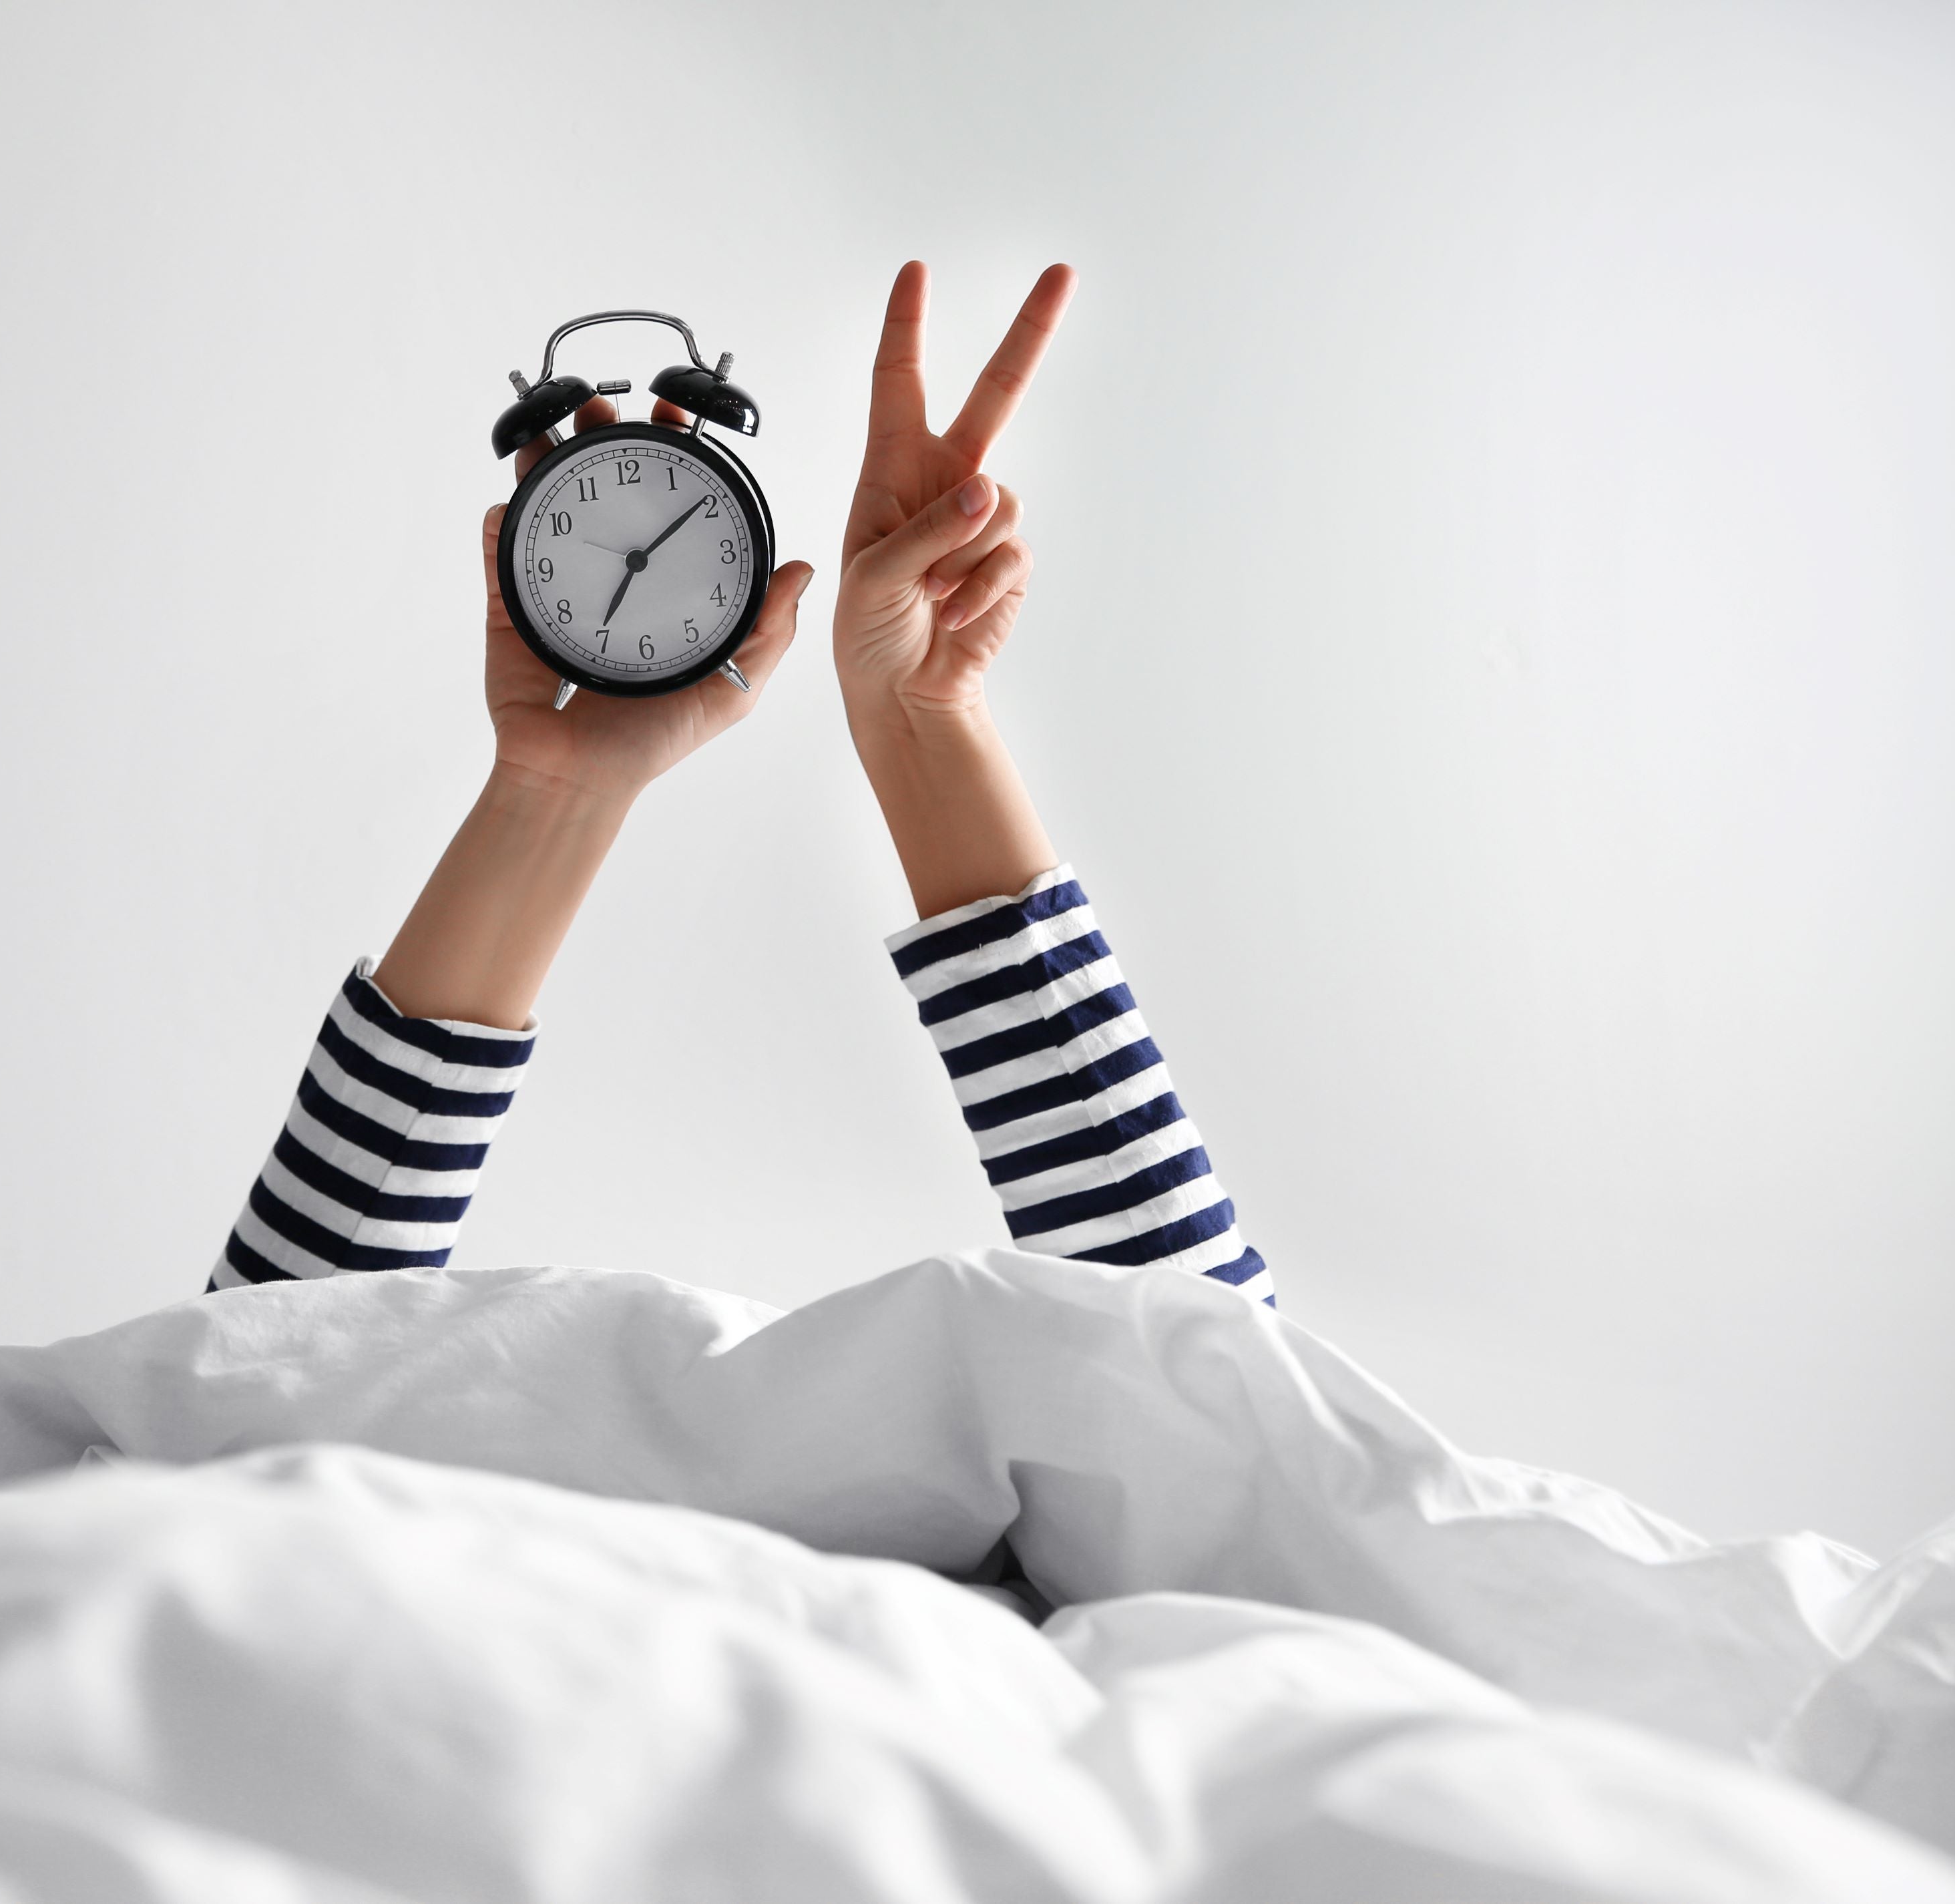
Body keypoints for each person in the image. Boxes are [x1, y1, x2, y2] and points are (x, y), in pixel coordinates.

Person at [208, 263, 1270, 1310]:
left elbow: (249, 1367)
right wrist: (910, 728)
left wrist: (923, 722)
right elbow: (1212, 1385)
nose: (629, 567)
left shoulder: (236, 1470)